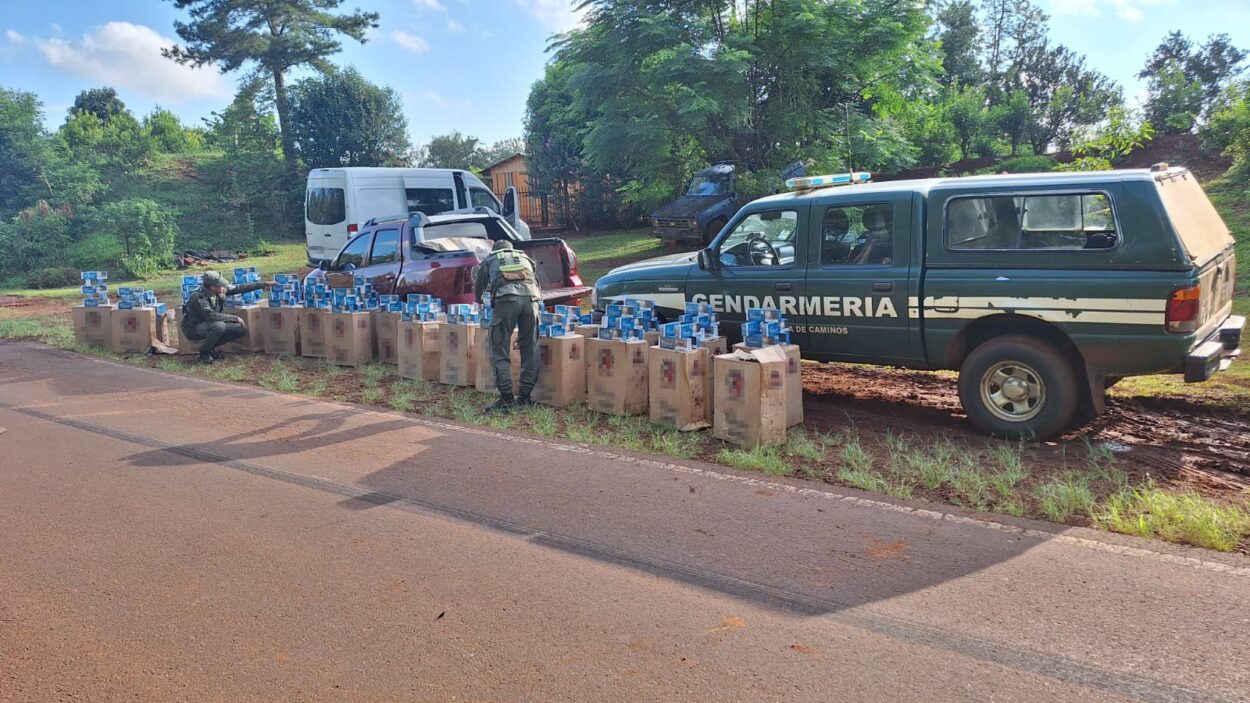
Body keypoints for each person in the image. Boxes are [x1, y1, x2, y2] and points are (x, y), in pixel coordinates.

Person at [473, 239, 540, 412]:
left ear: (495, 249)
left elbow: (479, 285)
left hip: (506, 300)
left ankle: (507, 399)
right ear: (512, 249)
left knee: (500, 349)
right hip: (531, 301)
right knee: (529, 348)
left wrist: (479, 300)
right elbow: (536, 281)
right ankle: (525, 397)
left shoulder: (491, 258)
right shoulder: (524, 257)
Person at [180, 270, 271, 364]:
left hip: (209, 324)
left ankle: (210, 348)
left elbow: (240, 288)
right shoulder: (198, 297)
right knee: (219, 326)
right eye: (220, 285)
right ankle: (204, 353)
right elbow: (211, 316)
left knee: (240, 329)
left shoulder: (218, 290)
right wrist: (235, 318)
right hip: (193, 328)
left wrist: (263, 284)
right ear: (212, 287)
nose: (224, 287)